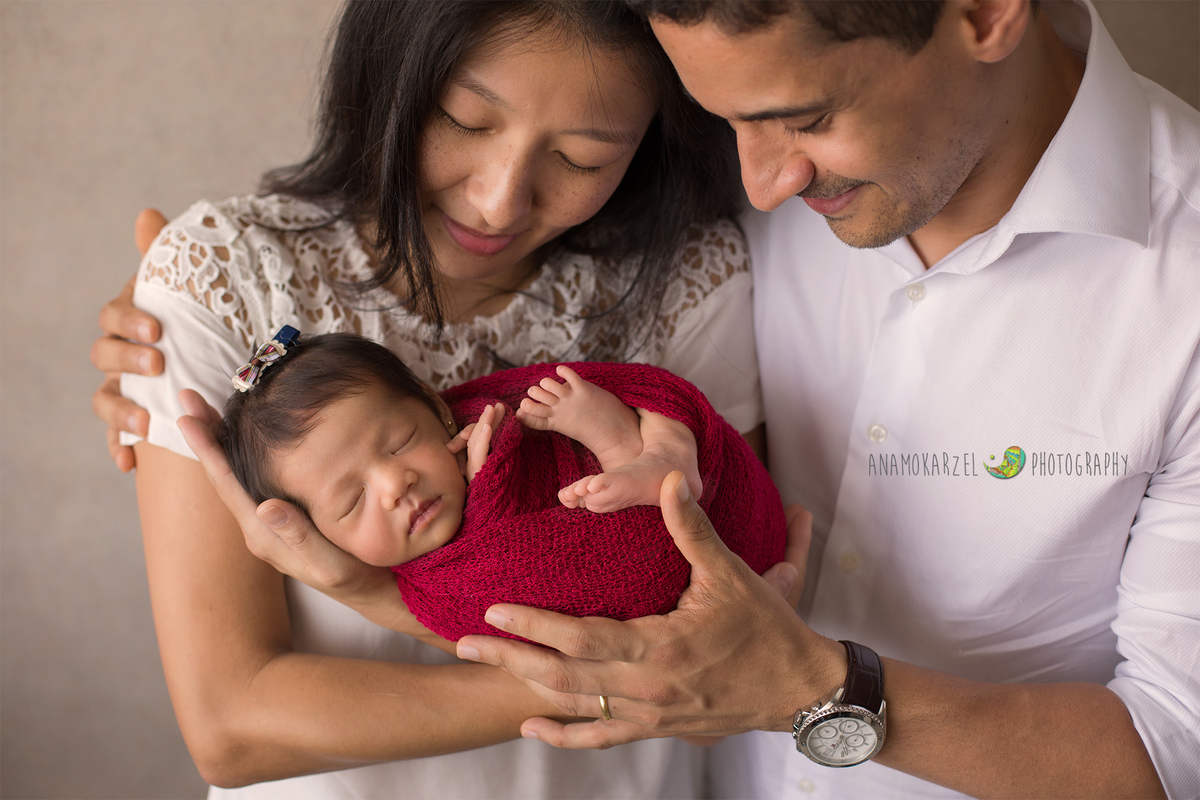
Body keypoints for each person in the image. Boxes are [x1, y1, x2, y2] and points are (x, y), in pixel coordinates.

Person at [442, 1, 1200, 799]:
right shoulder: (723, 150)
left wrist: (808, 689)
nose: (761, 187)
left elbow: (1173, 751)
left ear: (984, 13)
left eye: (805, 119)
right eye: (721, 119)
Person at [88, 1, 811, 797]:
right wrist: (648, 680)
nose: (500, 201)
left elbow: (733, 583)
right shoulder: (227, 279)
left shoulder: (687, 279)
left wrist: (376, 595)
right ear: (390, 69)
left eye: (580, 157)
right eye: (467, 121)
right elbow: (235, 728)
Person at [215, 330, 784, 641]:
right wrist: (491, 496)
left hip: (735, 523)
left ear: (437, 409)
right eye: (352, 500)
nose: (395, 483)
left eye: (399, 441)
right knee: (655, 542)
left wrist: (510, 450)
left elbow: (644, 388)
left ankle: (633, 447)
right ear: (321, 538)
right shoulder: (435, 594)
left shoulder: (489, 414)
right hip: (698, 601)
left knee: (576, 401)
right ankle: (629, 457)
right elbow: (531, 627)